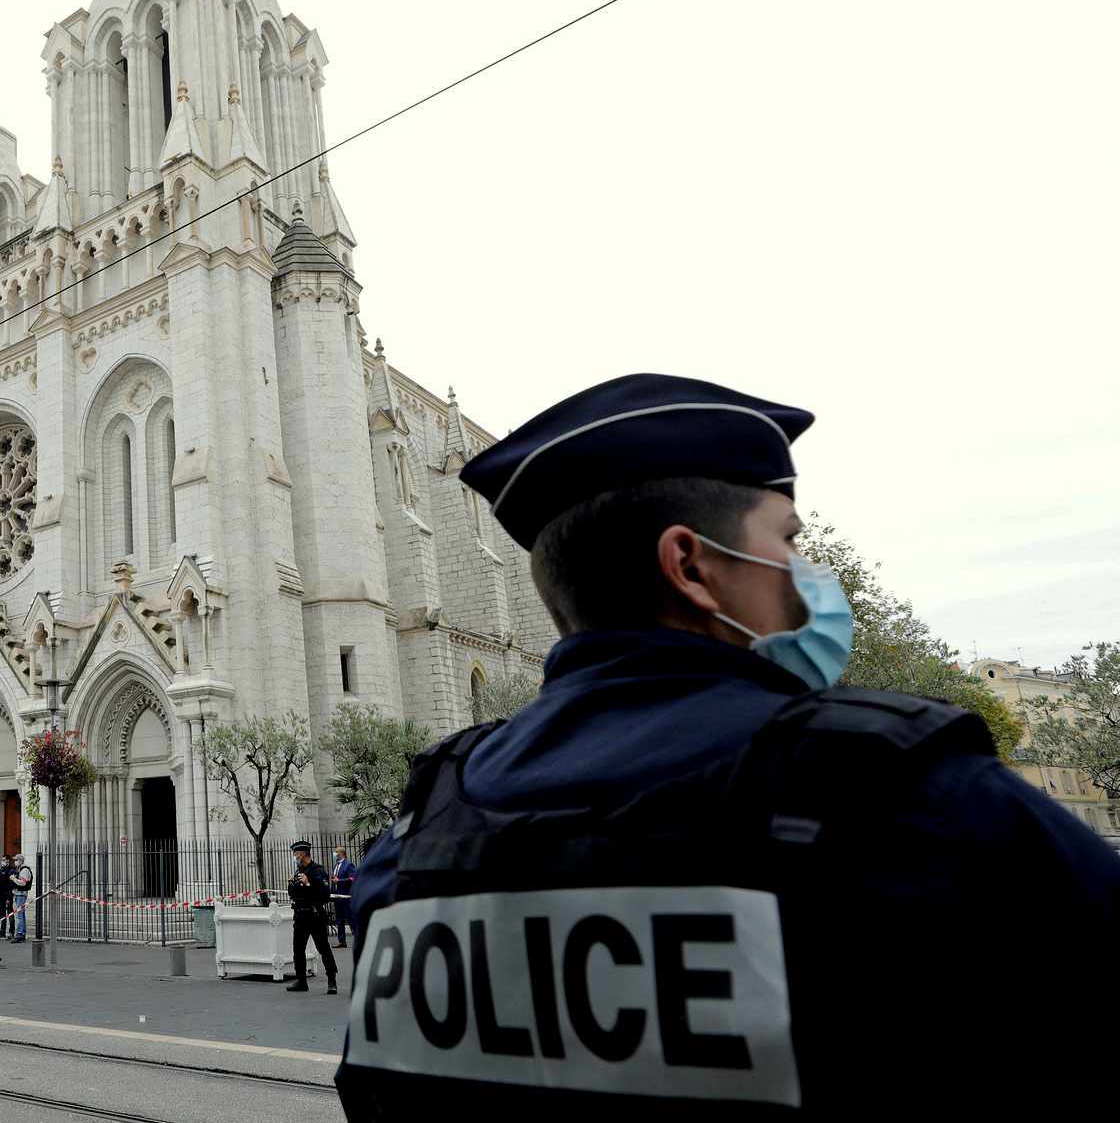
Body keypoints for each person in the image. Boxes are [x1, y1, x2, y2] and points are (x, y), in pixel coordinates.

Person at [336, 373, 1120, 1116]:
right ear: (690, 565)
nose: (809, 573)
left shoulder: (409, 848)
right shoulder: (915, 800)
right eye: (787, 538)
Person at [284, 840, 338, 993]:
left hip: (315, 915)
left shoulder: (317, 871)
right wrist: (292, 883)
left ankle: (332, 981)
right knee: (298, 949)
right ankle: (301, 981)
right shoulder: (299, 871)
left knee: (323, 948)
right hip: (301, 914)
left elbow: (325, 895)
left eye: (295, 855)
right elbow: (294, 894)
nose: (294, 858)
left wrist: (308, 884)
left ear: (301, 855)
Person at [329, 847, 356, 948]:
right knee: (339, 920)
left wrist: (339, 881)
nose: (334, 853)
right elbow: (334, 880)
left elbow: (353, 878)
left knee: (351, 919)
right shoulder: (336, 865)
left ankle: (359, 938)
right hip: (337, 897)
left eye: (336, 852)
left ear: (342, 854)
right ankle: (341, 940)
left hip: (346, 897)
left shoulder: (348, 864)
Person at [9, 852, 34, 942]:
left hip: (21, 894)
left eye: (16, 860)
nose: (15, 861)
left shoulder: (24, 870)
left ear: (21, 860)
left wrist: (14, 879)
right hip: (18, 893)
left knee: (19, 914)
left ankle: (19, 934)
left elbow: (23, 882)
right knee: (21, 914)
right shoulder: (21, 870)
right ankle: (22, 933)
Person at [0, 854, 16, 938]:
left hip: (7, 894)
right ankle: (2, 932)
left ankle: (11, 932)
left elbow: (11, 885)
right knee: (2, 914)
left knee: (10, 913)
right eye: (2, 860)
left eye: (4, 860)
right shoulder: (1, 869)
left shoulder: (11, 870)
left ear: (8, 860)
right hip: (1, 894)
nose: (3, 861)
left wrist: (9, 898)